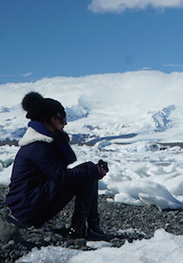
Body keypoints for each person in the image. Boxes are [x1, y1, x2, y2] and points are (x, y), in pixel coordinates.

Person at [6, 91, 110, 240]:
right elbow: (62, 177)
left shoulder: (42, 143)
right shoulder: (38, 146)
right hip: (27, 210)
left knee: (88, 170)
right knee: (88, 172)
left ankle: (91, 226)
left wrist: (93, 170)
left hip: (28, 205)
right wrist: (94, 171)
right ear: (49, 119)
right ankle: (80, 228)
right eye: (61, 119)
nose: (65, 123)